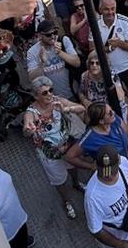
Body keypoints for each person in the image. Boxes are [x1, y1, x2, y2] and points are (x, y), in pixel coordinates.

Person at [22, 76, 86, 220]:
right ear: (36, 96)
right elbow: (26, 127)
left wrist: (67, 108)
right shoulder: (31, 112)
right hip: (50, 154)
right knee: (59, 180)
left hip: (67, 145)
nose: (49, 94)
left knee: (73, 166)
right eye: (44, 93)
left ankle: (76, 183)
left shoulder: (58, 101)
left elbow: (81, 108)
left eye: (50, 90)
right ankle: (66, 201)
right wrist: (29, 129)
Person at [94, 0, 128, 114]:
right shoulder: (95, 24)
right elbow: (93, 49)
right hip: (108, 69)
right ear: (100, 9)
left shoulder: (125, 21)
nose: (110, 12)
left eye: (113, 8)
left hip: (127, 66)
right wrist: (108, 48)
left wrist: (120, 43)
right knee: (114, 95)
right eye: (107, 9)